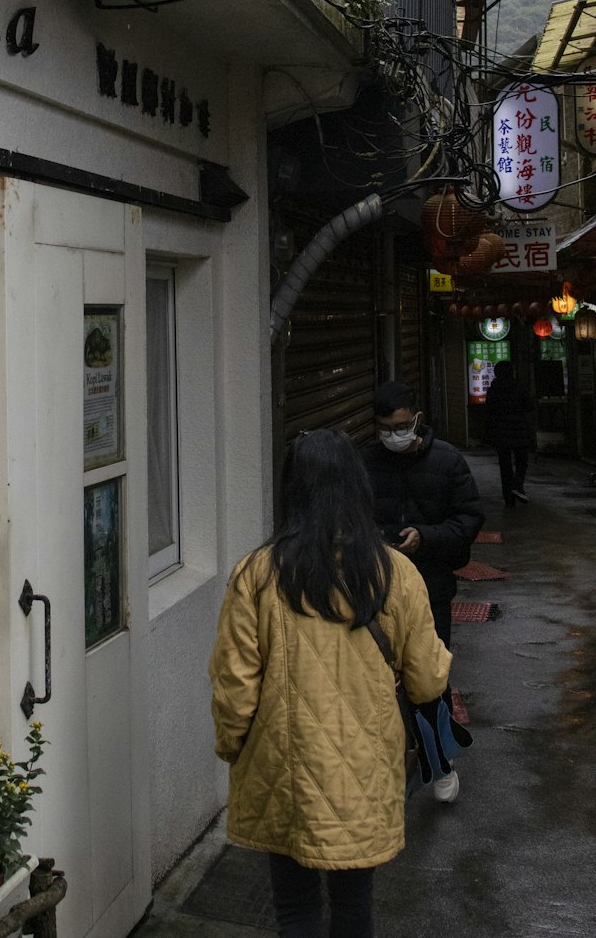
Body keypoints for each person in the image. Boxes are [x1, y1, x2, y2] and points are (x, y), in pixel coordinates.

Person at [209, 430, 451, 938]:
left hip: (283, 763)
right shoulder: (396, 573)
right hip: (365, 763)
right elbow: (428, 681)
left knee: (294, 910)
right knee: (354, 907)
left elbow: (235, 683)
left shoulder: (256, 574)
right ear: (356, 487)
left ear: (292, 490)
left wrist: (235, 747)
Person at [361, 379, 483, 803]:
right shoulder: (366, 463)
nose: (392, 435)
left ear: (416, 419)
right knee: (375, 681)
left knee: (430, 679)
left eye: (399, 426)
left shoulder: (448, 461)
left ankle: (440, 763)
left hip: (430, 588)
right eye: (383, 428)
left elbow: (470, 518)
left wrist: (426, 537)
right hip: (377, 590)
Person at [483, 360, 534, 507]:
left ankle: (508, 498)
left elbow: (489, 411)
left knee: (505, 465)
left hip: (501, 432)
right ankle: (517, 485)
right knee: (521, 461)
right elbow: (529, 406)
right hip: (519, 430)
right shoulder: (519, 386)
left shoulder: (494, 389)